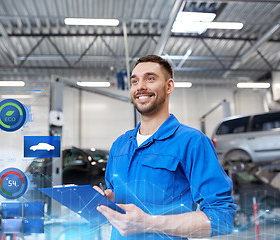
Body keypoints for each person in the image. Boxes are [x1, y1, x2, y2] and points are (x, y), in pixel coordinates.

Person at [94, 55, 236, 239]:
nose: (140, 86)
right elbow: (116, 193)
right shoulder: (120, 145)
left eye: (150, 78)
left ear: (169, 86)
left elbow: (222, 218)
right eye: (135, 81)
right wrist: (107, 200)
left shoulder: (192, 142)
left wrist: (148, 223)